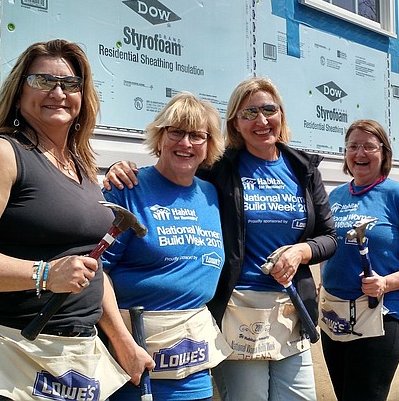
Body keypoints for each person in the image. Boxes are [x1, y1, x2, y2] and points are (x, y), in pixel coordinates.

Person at [0, 39, 152, 400]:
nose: (58, 92)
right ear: (19, 90)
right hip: (2, 351)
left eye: (71, 84)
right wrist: (43, 274)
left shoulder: (81, 166)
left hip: (70, 360)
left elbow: (91, 266)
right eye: (43, 81)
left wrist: (122, 340)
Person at [104, 76, 337, 400]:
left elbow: (329, 235)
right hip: (235, 309)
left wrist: (301, 252)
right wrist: (120, 169)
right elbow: (169, 174)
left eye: (269, 109)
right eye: (249, 113)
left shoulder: (302, 169)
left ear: (281, 114)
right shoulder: (221, 170)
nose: (261, 120)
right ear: (235, 124)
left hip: (290, 310)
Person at [101, 93, 230, 400]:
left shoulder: (212, 194)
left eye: (197, 136)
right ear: (159, 137)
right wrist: (122, 341)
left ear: (209, 146)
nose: (186, 143)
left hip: (193, 365)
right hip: (133, 364)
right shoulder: (128, 189)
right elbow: (96, 271)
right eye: (176, 132)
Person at [319, 119, 399, 401]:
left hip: (381, 316)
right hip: (335, 316)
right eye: (353, 146)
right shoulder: (335, 196)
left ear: (384, 153)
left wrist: (385, 282)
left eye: (369, 147)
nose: (360, 154)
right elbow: (328, 246)